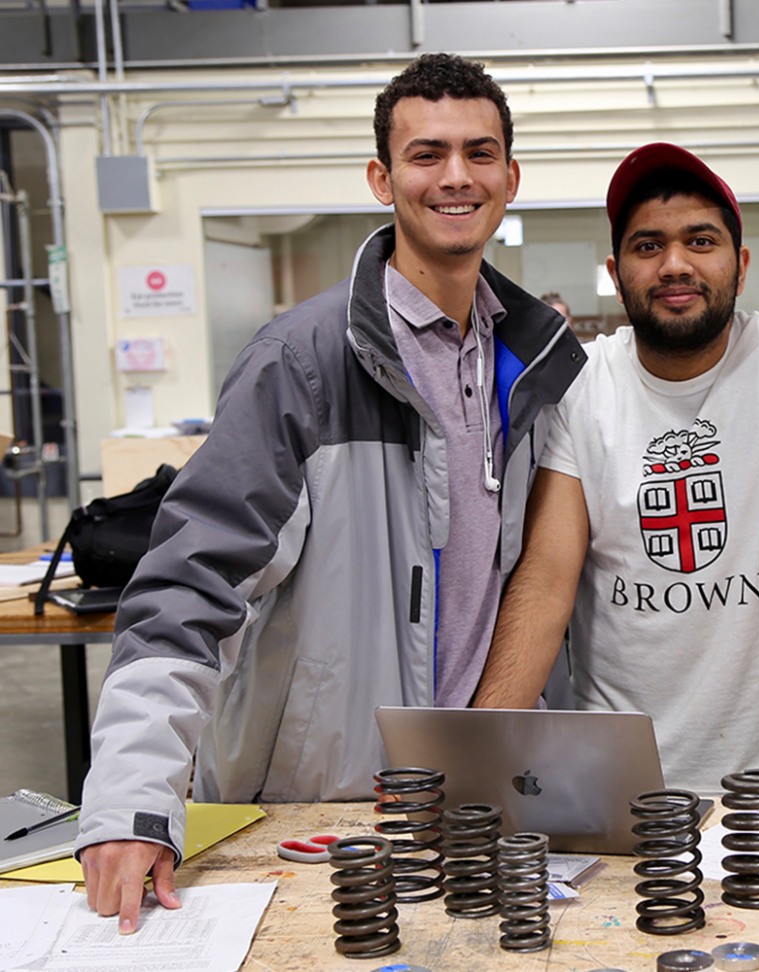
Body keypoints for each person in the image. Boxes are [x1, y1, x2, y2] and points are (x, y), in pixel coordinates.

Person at [76, 53, 585, 931]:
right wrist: (130, 803)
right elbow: (189, 588)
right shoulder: (302, 362)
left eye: (479, 152)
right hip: (319, 807)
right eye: (426, 155)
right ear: (382, 178)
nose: (455, 176)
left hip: (471, 802)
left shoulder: (533, 362)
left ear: (511, 176)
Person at [473, 142, 759, 793]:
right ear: (616, 269)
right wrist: (467, 774)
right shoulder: (582, 385)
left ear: (740, 265)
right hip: (622, 786)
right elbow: (547, 583)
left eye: (700, 241)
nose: (674, 265)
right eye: (647, 246)